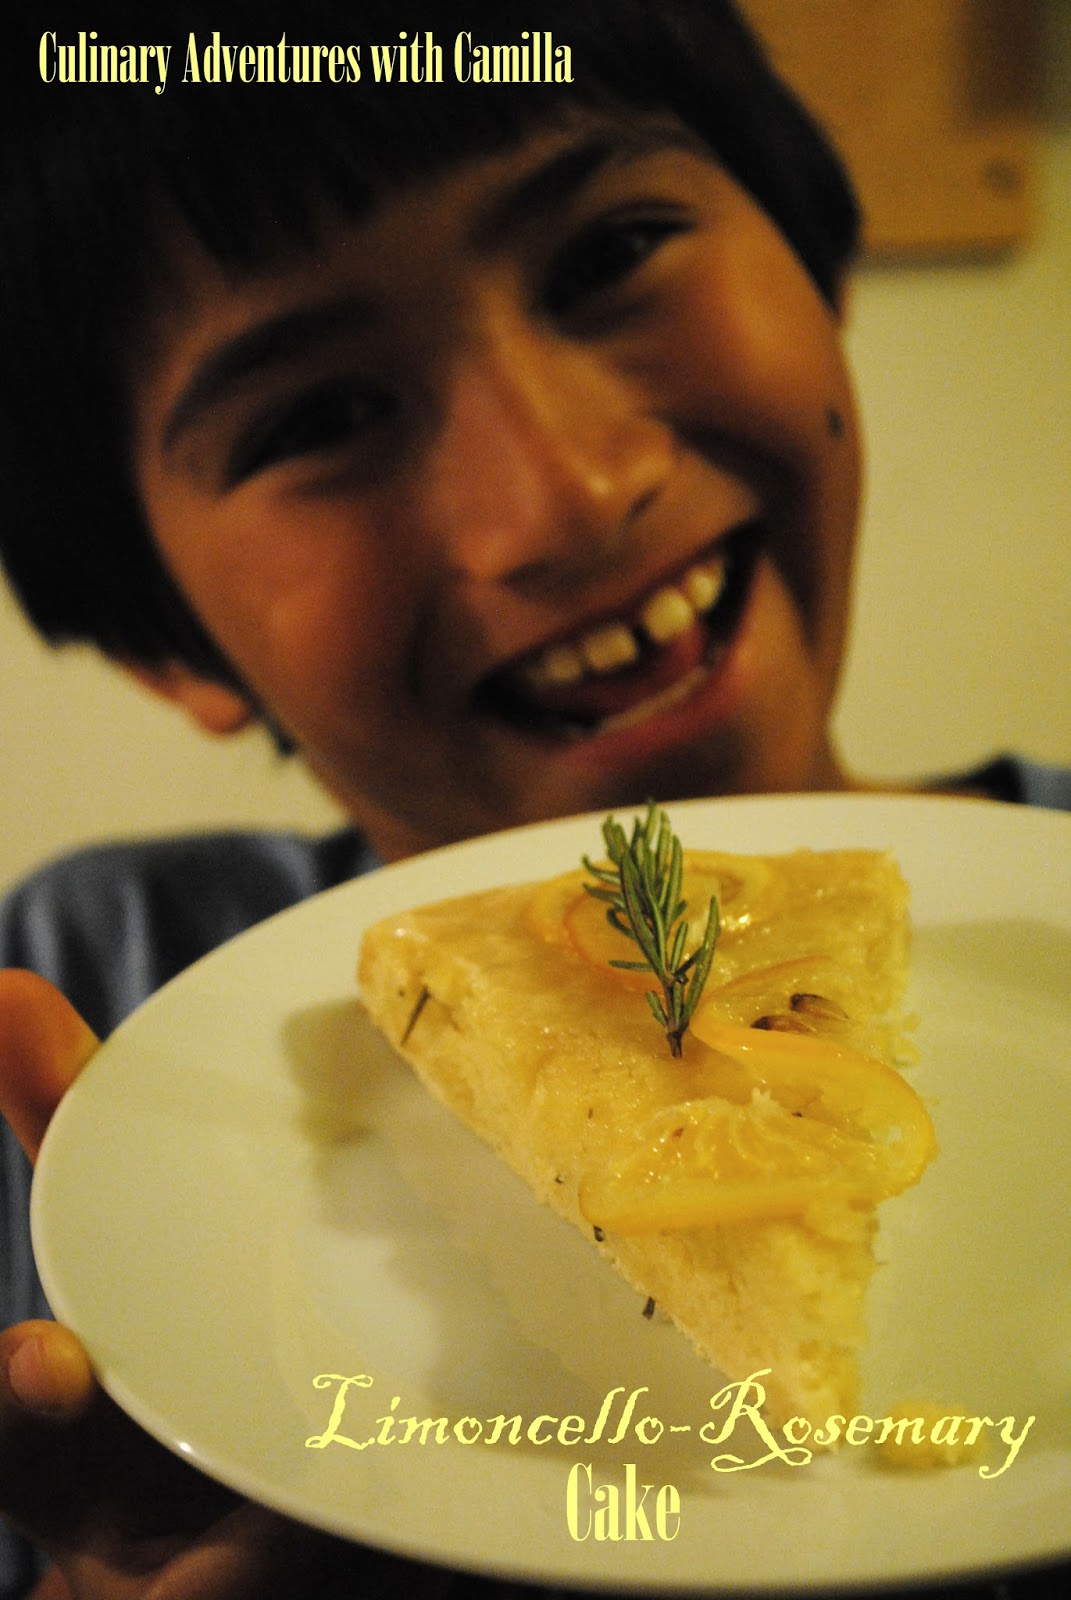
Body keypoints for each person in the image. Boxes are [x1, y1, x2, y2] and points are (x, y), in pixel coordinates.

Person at [0, 1, 1067, 1595]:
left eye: (611, 253)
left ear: (815, 265)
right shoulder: (101, 974)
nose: (565, 497)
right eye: (320, 417)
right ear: (166, 644)